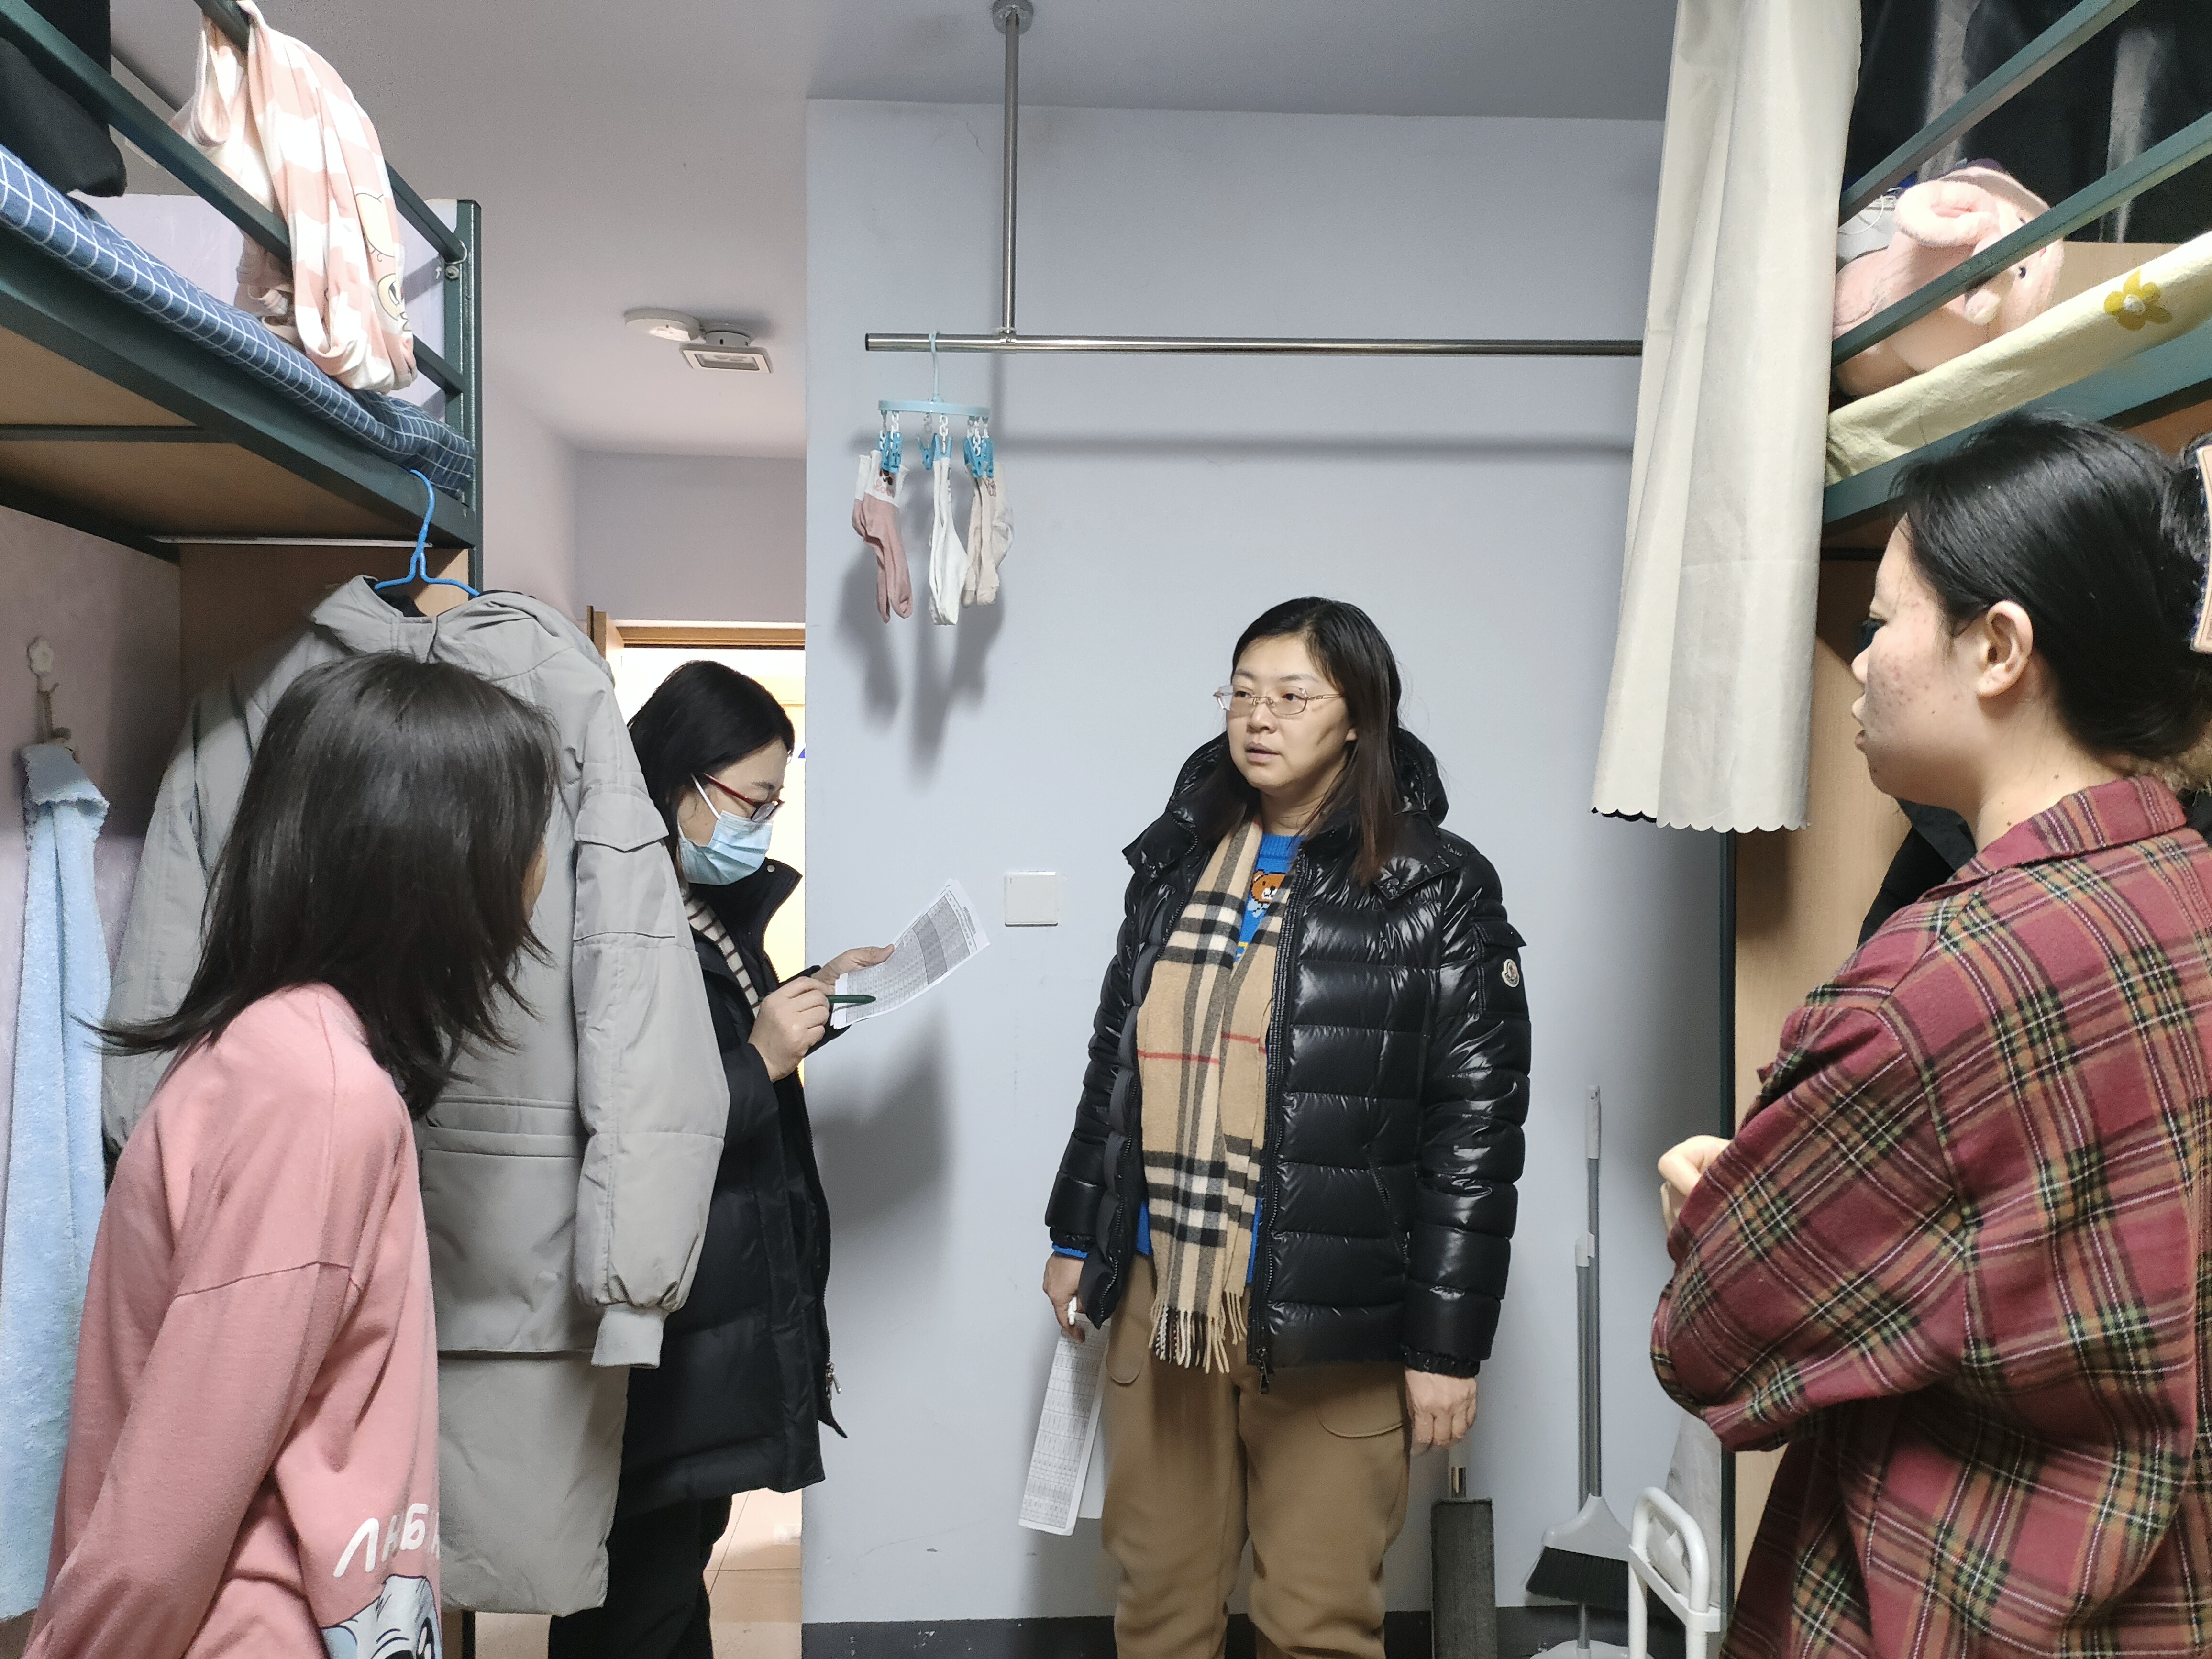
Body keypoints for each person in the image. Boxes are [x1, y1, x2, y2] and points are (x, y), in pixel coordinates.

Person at [1653, 412, 2212, 1655]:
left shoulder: (1935, 990)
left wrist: (1710, 1212)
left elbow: (1711, 1341)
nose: (1858, 665)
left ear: (1998, 647)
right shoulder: (2185, 889)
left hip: (1951, 1602)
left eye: (1880, 622)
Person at [30, 654, 559, 1659]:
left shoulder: (283, 1048)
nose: (537, 869)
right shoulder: (318, 1096)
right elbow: (171, 1506)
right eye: (527, 832)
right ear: (437, 853)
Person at [1041, 597, 1532, 1659]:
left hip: (1334, 1314)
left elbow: (1475, 1130)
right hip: (1165, 1293)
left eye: (1293, 696)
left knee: (1317, 1625)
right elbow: (1115, 1065)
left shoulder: (1436, 884)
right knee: (1158, 1607)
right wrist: (1076, 1234)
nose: (1258, 717)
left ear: (1357, 718)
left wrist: (1445, 1347)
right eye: (1242, 693)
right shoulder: (1176, 865)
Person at [548, 662, 889, 1658]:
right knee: (637, 1595)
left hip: (712, 1306)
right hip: (665, 1310)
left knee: (672, 1576)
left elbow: (710, 1052)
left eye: (777, 803)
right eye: (752, 800)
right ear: (680, 779)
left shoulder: (694, 903)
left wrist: (818, 996)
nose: (764, 825)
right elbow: (631, 1117)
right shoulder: (620, 918)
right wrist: (761, 1061)